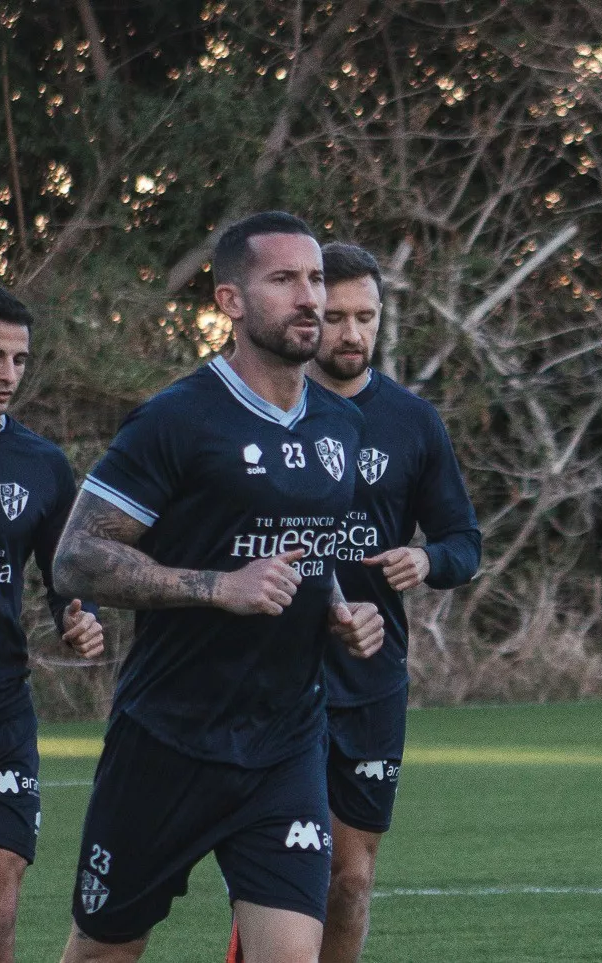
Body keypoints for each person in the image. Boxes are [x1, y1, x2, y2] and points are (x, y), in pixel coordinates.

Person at [50, 211, 385, 963]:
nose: (312, 299)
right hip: (167, 739)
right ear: (230, 301)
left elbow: (307, 550)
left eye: (317, 279)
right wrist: (217, 586)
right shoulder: (176, 420)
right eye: (285, 280)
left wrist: (339, 608)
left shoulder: (340, 424)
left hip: (285, 743)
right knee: (106, 947)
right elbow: (76, 558)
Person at [225, 243, 482, 963]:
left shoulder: (411, 421)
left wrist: (428, 557)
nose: (350, 332)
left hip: (370, 676)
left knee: (351, 876)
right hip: (274, 672)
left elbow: (465, 540)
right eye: (335, 316)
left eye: (365, 316)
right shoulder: (265, 415)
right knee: (287, 869)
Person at [0, 285, 104, 963]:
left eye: (18, 359)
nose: (7, 374)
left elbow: (67, 578)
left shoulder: (42, 466)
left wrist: (82, 619)